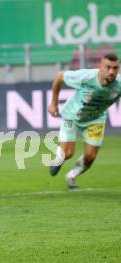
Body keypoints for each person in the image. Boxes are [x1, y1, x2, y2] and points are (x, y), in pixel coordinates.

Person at [48, 53, 121, 189]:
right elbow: (59, 76)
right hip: (72, 116)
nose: (112, 71)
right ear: (100, 66)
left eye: (115, 68)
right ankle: (58, 158)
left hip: (95, 120)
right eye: (108, 67)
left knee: (90, 157)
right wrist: (53, 103)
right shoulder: (86, 76)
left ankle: (72, 176)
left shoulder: (119, 84)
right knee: (67, 153)